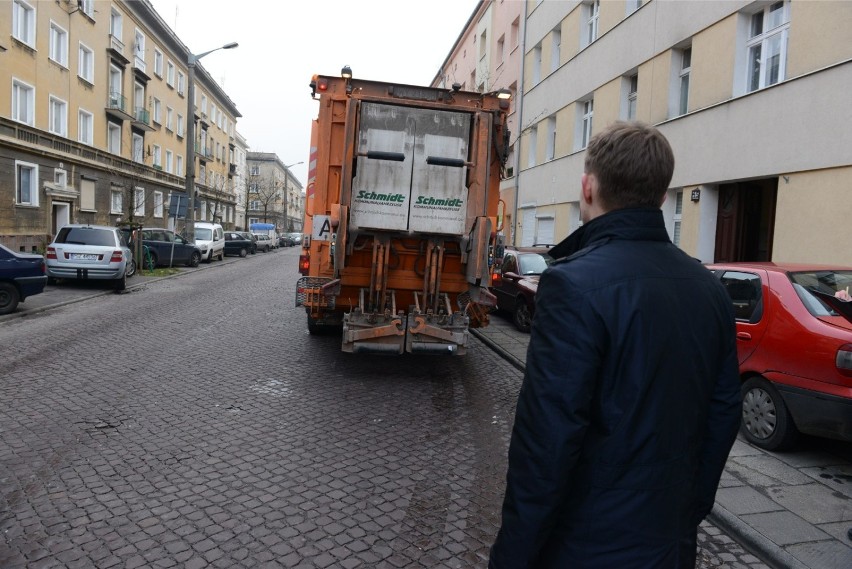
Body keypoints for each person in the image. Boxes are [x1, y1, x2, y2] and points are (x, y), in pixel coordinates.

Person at [489, 122, 741, 568]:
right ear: (662, 195)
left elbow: (546, 443)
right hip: (669, 546)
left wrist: (513, 557)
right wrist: (683, 517)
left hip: (586, 547)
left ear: (587, 187)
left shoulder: (570, 285)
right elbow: (723, 417)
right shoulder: (710, 289)